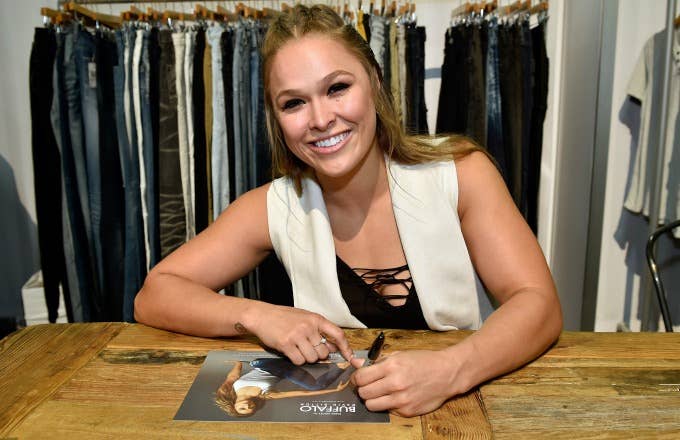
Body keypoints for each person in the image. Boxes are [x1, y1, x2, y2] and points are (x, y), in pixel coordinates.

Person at [134, 4, 562, 417]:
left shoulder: (462, 175)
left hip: (469, 417)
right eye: (293, 103)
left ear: (374, 82)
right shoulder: (274, 206)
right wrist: (258, 315)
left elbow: (538, 304)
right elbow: (156, 294)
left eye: (337, 88)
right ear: (276, 118)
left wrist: (452, 370)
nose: (320, 118)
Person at [216, 358, 352, 417]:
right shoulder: (266, 395)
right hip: (288, 371)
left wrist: (237, 363)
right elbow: (301, 393)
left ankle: (307, 360)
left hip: (263, 364)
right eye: (250, 408)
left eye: (242, 408)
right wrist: (335, 390)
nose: (248, 406)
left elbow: (232, 377)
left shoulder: (230, 389)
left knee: (256, 362)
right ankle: (340, 368)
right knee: (314, 387)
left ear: (234, 406)